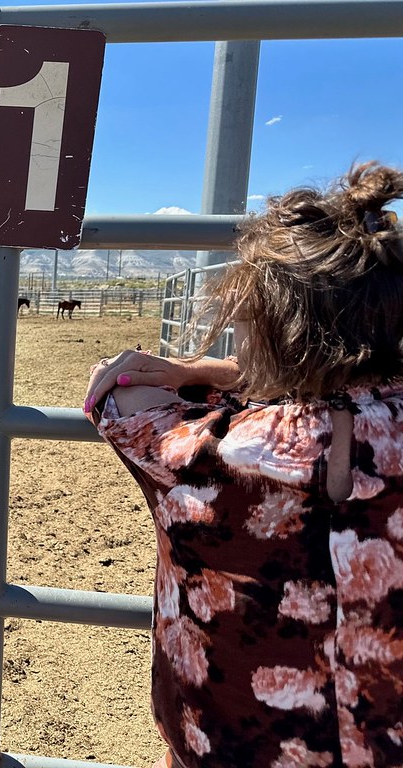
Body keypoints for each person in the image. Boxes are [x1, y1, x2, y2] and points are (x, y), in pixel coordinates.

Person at [84, 162, 403, 767]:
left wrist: (196, 371)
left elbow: (115, 392)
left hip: (226, 747)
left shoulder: (197, 453)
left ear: (271, 329)